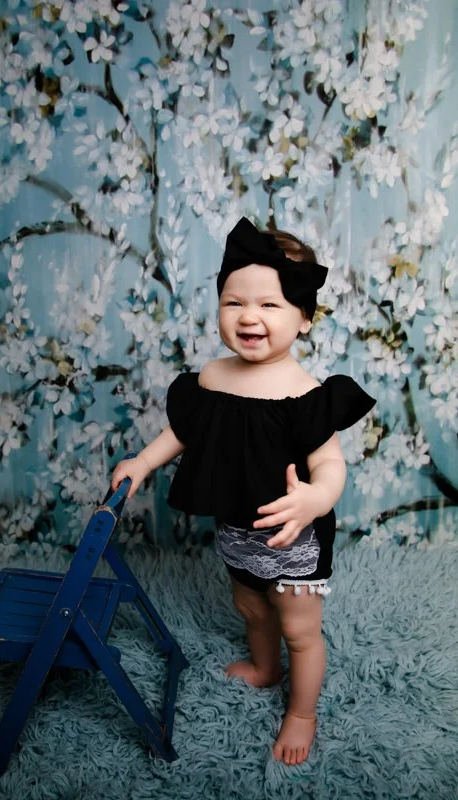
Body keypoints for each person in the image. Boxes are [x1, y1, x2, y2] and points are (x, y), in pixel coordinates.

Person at [111, 217, 375, 766]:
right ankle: (264, 667)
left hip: (293, 535)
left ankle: (302, 711)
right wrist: (141, 462)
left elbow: (330, 465)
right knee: (251, 607)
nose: (249, 316)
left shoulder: (306, 395)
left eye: (270, 306)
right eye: (234, 303)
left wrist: (314, 500)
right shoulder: (211, 378)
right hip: (236, 527)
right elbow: (182, 434)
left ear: (304, 320)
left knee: (299, 628)